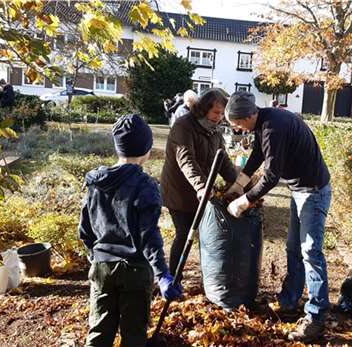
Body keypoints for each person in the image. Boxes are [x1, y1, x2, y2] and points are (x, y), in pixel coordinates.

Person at [223, 91, 332, 343]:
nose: (239, 128)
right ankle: (289, 301)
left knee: (311, 252)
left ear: (250, 115)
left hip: (313, 190)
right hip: (301, 188)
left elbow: (271, 176)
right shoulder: (264, 122)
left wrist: (244, 200)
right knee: (294, 248)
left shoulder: (274, 127)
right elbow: (259, 155)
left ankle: (316, 317)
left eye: (239, 123)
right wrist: (240, 183)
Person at [78, 115, 183, 347]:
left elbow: (85, 228)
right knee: (134, 335)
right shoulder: (146, 186)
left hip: (102, 267)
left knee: (99, 332)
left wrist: (94, 257)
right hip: (135, 270)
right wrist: (162, 274)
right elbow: (149, 237)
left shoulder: (96, 183)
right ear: (146, 149)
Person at [160, 88, 238, 275]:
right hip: (178, 190)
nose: (219, 117)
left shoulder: (214, 131)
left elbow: (223, 161)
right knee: (184, 233)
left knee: (208, 235)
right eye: (216, 112)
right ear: (203, 109)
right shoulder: (183, 125)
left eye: (222, 114)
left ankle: (210, 278)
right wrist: (202, 186)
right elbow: (186, 159)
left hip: (201, 193)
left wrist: (240, 184)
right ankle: (173, 277)